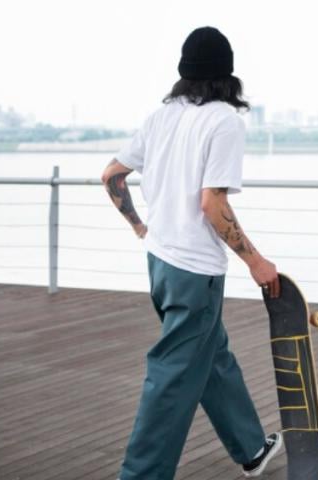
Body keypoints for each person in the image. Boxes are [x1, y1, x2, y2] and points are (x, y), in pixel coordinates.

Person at [101, 26, 283, 480]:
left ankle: (251, 448)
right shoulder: (223, 121)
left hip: (160, 263)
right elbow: (212, 204)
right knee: (172, 377)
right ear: (228, 74)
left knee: (210, 354)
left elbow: (111, 176)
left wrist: (141, 227)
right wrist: (256, 262)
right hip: (194, 270)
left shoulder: (162, 116)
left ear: (184, 73)